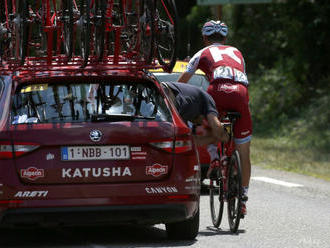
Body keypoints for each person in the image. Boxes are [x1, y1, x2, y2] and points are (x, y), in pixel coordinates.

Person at [177, 20, 252, 216]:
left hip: (216, 91)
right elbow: (243, 77)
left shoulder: (202, 52)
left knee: (203, 118)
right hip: (241, 93)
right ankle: (243, 198)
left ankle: (216, 157)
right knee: (244, 151)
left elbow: (184, 78)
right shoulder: (237, 52)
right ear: (225, 38)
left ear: (204, 38)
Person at [161, 81, 228, 146]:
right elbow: (215, 124)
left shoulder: (186, 112)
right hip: (167, 93)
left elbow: (187, 142)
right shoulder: (208, 100)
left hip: (161, 90)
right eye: (200, 123)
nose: (198, 123)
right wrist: (221, 136)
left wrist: (211, 139)